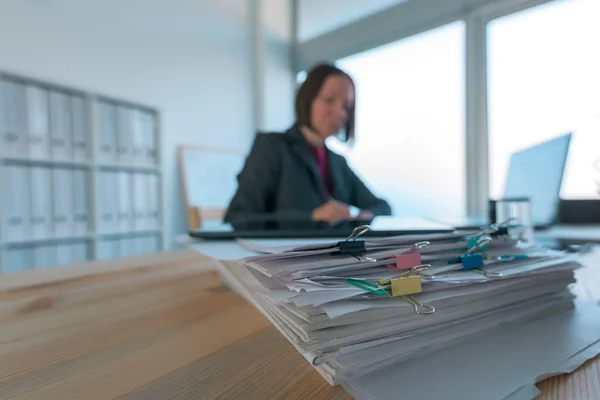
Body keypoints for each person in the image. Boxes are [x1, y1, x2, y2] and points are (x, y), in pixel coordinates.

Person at [224, 63, 392, 228]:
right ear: (308, 98)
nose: (340, 113)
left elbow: (383, 207)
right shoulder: (272, 147)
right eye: (329, 100)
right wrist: (311, 217)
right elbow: (239, 217)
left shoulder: (338, 162)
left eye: (346, 106)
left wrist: (358, 215)